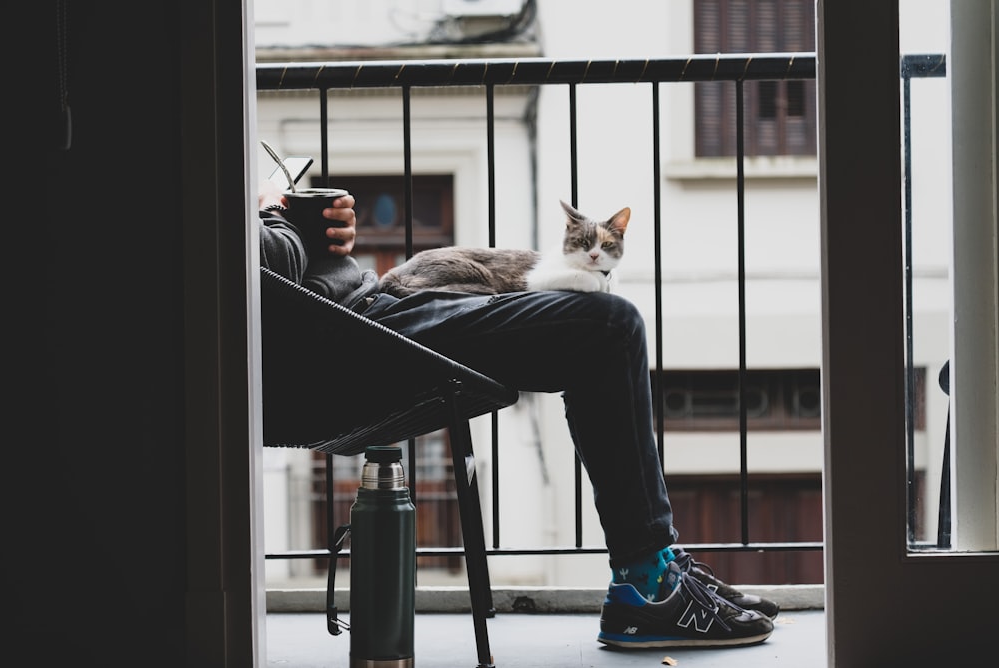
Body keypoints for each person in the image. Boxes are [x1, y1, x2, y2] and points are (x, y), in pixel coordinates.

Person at [258, 180, 779, 648]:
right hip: (354, 341)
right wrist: (271, 211)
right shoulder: (202, 188)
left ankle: (658, 569)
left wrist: (323, 235)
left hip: (367, 312)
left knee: (605, 327)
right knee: (609, 328)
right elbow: (266, 262)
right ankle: (650, 581)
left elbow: (284, 266)